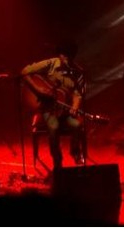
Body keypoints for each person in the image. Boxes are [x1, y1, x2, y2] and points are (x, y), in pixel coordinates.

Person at [21, 40, 86, 171]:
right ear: (60, 55)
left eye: (70, 56)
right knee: (54, 127)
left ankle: (75, 153)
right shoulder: (50, 64)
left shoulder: (77, 71)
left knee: (77, 125)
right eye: (64, 55)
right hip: (48, 109)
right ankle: (57, 161)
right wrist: (38, 90)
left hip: (65, 110)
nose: (67, 58)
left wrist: (75, 106)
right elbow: (25, 71)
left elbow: (77, 93)